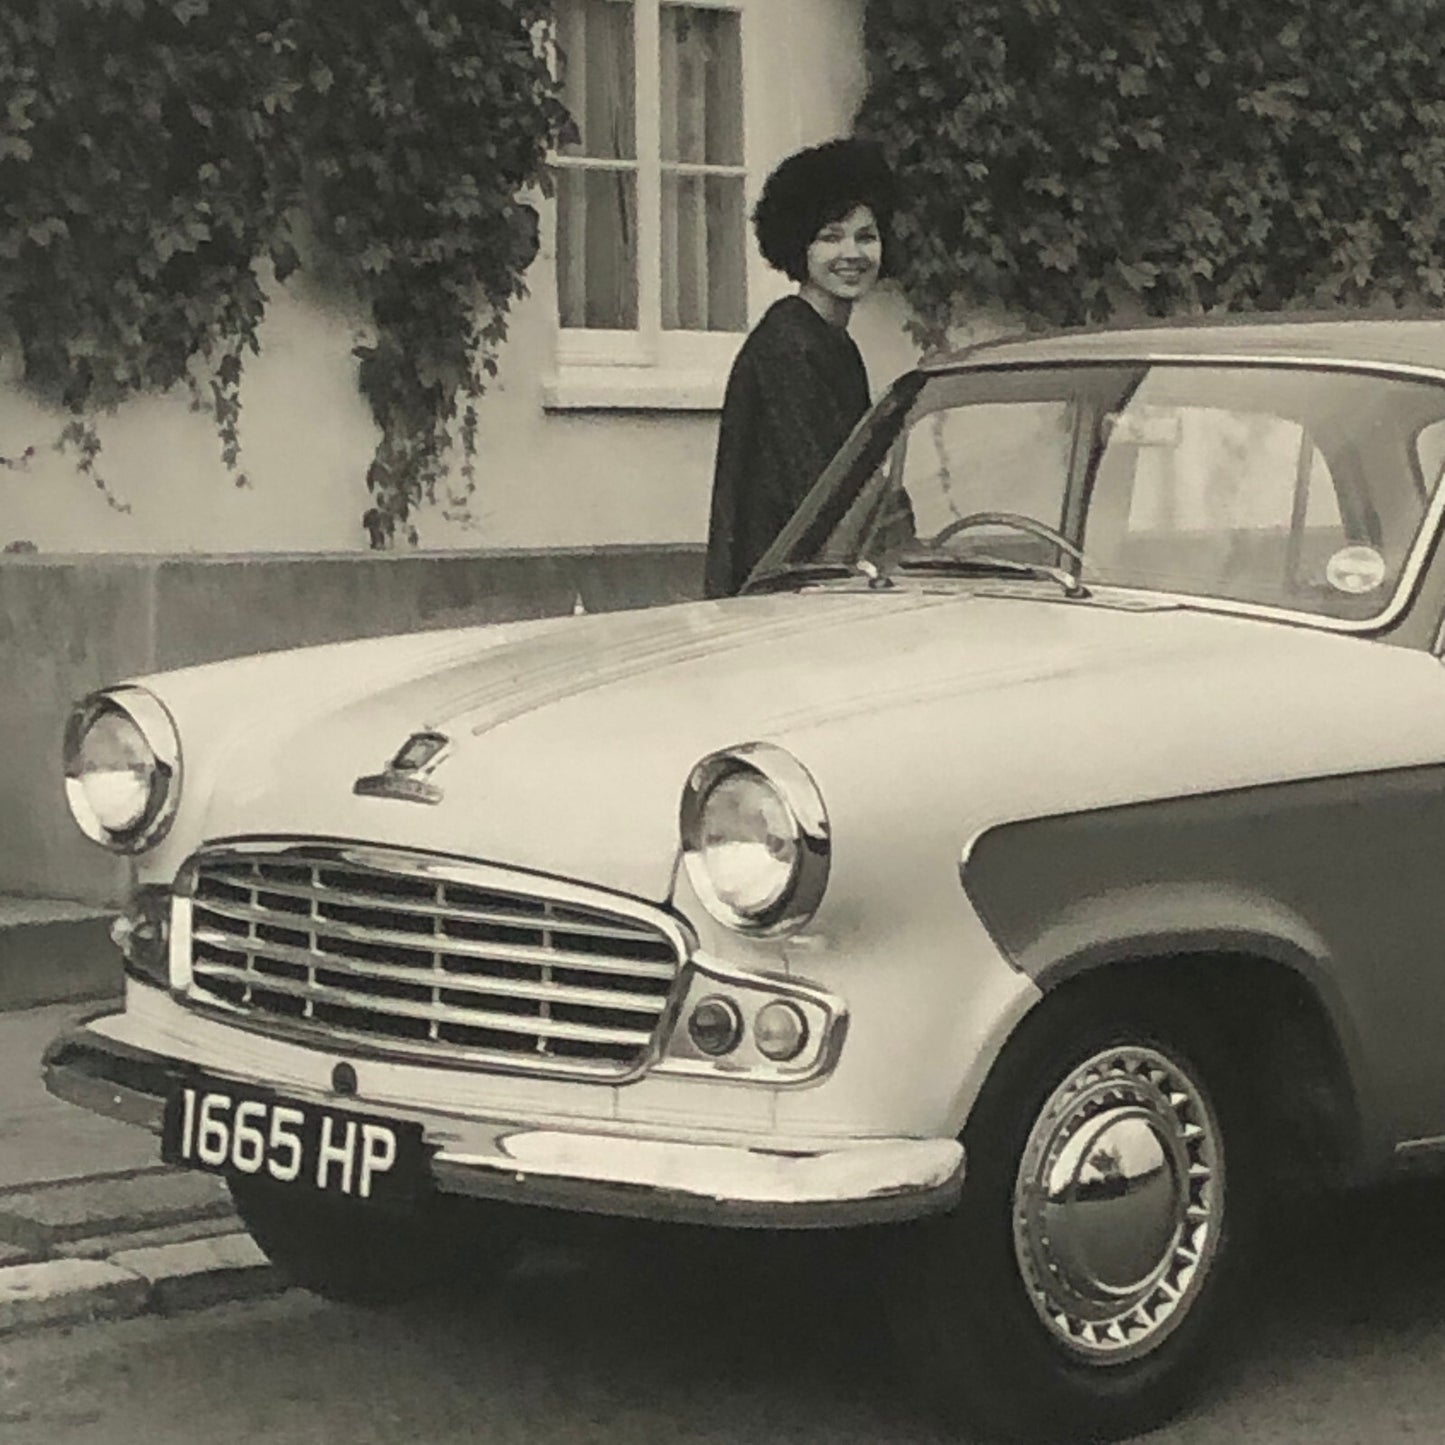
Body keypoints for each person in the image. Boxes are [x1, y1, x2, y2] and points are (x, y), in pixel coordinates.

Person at [703, 137, 896, 599]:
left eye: (866, 236)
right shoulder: (788, 346)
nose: (852, 253)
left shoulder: (834, 345)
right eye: (831, 236)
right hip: (779, 595)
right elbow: (820, 493)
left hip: (817, 587)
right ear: (799, 247)